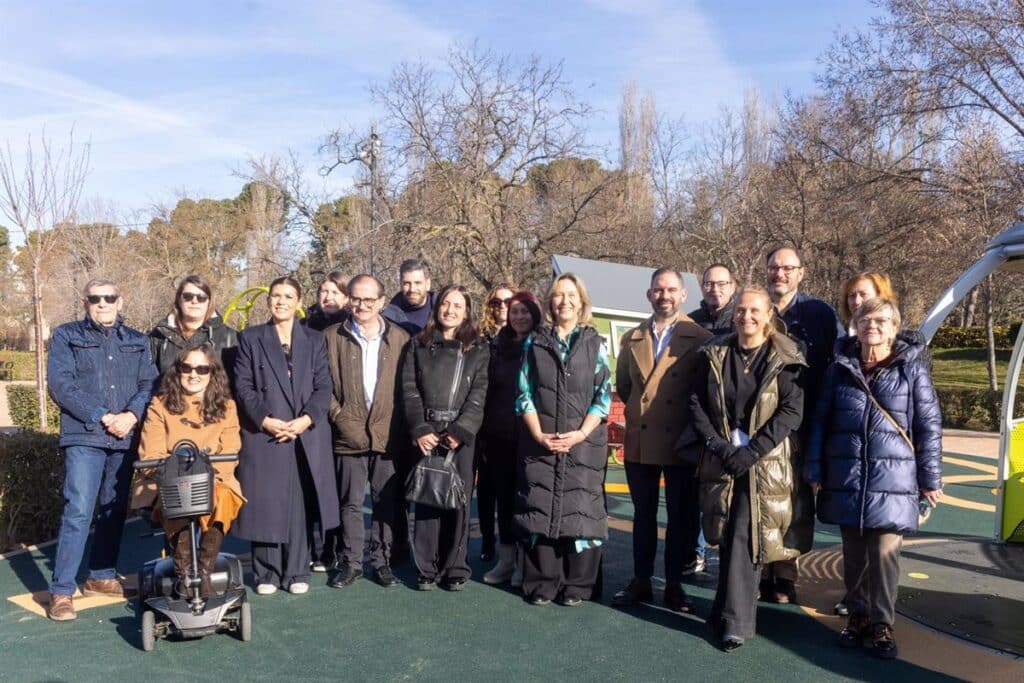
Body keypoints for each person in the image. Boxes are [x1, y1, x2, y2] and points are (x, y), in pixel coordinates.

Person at [806, 297, 942, 659]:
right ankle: (857, 615)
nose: (873, 326)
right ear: (856, 323)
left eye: (882, 321)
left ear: (894, 327)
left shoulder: (910, 369)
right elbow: (821, 421)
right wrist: (815, 468)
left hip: (894, 476)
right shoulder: (839, 367)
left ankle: (883, 622)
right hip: (847, 472)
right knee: (853, 554)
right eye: (867, 319)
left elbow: (928, 426)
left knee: (884, 554)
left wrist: (930, 477)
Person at [689, 285, 806, 651]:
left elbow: (791, 411)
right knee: (726, 532)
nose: (747, 317)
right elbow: (696, 403)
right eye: (741, 310)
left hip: (764, 464)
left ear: (769, 315)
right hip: (722, 459)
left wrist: (753, 451)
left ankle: (736, 622)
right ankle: (722, 612)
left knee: (745, 536)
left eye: (755, 311)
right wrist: (718, 445)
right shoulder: (716, 352)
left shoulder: (785, 356)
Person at [46, 279, 159, 621]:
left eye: (109, 298)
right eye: (95, 298)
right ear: (85, 302)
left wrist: (130, 415)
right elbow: (61, 385)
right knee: (79, 509)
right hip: (85, 435)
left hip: (123, 436)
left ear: (120, 301)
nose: (102, 303)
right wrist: (102, 416)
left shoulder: (137, 341)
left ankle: (101, 574)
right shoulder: (66, 336)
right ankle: (62, 591)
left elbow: (149, 383)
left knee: (114, 509)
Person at [231, 276, 339, 595]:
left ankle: (297, 570)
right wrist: (266, 420)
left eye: (288, 296)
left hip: (305, 433)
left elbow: (324, 387)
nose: (281, 301)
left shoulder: (314, 340)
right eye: (276, 295)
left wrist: (306, 419)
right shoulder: (251, 338)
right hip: (265, 432)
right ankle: (266, 573)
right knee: (266, 501)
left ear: (298, 302)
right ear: (268, 301)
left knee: (299, 503)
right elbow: (244, 387)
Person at [611, 268, 711, 612]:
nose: (664, 295)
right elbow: (624, 386)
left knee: (679, 519)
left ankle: (673, 584)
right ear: (649, 294)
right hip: (641, 440)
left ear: (683, 295)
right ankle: (640, 580)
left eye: (671, 289)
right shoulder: (633, 337)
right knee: (643, 516)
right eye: (658, 289)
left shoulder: (699, 338)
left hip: (680, 442)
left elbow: (703, 392)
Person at [515, 273, 612, 607]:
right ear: (550, 302)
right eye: (557, 295)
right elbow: (524, 392)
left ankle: (578, 585)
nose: (564, 301)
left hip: (582, 443)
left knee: (580, 509)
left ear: (581, 301)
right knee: (540, 507)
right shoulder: (535, 342)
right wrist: (538, 434)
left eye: (571, 295)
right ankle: (543, 583)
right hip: (541, 442)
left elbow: (603, 395)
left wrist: (581, 434)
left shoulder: (594, 343)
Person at [133, 344, 244, 597]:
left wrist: (205, 478)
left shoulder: (226, 408)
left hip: (214, 478)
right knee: (178, 494)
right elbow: (151, 453)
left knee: (222, 496)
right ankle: (184, 573)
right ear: (178, 371)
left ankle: (203, 572)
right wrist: (179, 476)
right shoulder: (160, 406)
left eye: (202, 369)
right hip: (166, 478)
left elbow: (229, 452)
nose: (194, 374)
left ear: (211, 373)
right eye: (187, 368)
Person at [763, 245, 842, 604]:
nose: (780, 274)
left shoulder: (818, 314)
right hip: (761, 421)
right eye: (774, 268)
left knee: (796, 503)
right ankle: (761, 569)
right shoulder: (755, 308)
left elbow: (833, 366)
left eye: (788, 268)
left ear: (801, 273)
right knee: (762, 497)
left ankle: (785, 574)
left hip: (805, 423)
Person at [324, 274, 411, 590]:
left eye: (368, 300)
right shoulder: (332, 336)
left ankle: (382, 562)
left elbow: (408, 388)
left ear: (382, 301)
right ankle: (352, 563)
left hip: (388, 435)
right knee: (349, 502)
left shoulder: (400, 339)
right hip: (348, 435)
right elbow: (323, 387)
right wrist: (340, 416)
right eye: (356, 298)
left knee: (385, 502)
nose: (361, 305)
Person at [401, 284, 489, 591]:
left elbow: (478, 394)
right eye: (445, 304)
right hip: (426, 434)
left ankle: (455, 566)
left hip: (460, 438)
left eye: (457, 305)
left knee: (458, 502)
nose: (450, 310)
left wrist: (461, 431)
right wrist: (420, 430)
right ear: (437, 307)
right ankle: (426, 567)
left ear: (467, 312)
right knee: (427, 501)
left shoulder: (478, 348)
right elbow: (409, 390)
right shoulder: (418, 344)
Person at [480, 290, 543, 585]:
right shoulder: (497, 345)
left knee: (527, 500)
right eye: (514, 311)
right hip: (498, 435)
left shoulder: (542, 344)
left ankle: (524, 563)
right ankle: (505, 561)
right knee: (504, 500)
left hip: (531, 435)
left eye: (524, 311)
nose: (518, 316)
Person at [475, 281, 516, 562]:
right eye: (496, 302)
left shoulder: (523, 338)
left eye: (508, 302)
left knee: (507, 491)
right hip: (480, 425)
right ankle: (487, 542)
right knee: (484, 488)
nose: (502, 307)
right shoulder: (480, 338)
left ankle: (508, 543)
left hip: (510, 425)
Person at [148, 274, 238, 375]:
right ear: (179, 299)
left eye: (201, 297)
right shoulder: (159, 336)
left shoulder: (230, 338)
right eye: (187, 296)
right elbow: (147, 379)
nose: (194, 301)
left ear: (209, 302)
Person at [383, 258, 436, 335]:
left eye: (417, 283)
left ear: (428, 284)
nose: (412, 289)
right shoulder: (388, 320)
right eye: (407, 283)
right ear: (400, 285)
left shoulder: (443, 311)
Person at [690, 263, 737, 335]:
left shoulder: (741, 320)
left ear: (732, 288)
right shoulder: (690, 321)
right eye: (709, 284)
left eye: (721, 284)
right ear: (702, 287)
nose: (715, 289)